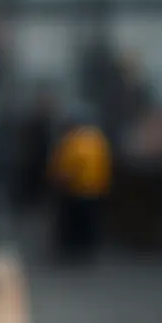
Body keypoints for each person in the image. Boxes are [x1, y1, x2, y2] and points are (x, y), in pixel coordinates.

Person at [48, 109, 111, 256]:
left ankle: (74, 248)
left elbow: (69, 165)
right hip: (95, 188)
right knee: (89, 221)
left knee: (74, 222)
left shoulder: (75, 141)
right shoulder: (97, 138)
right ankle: (86, 247)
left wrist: (59, 179)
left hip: (77, 189)